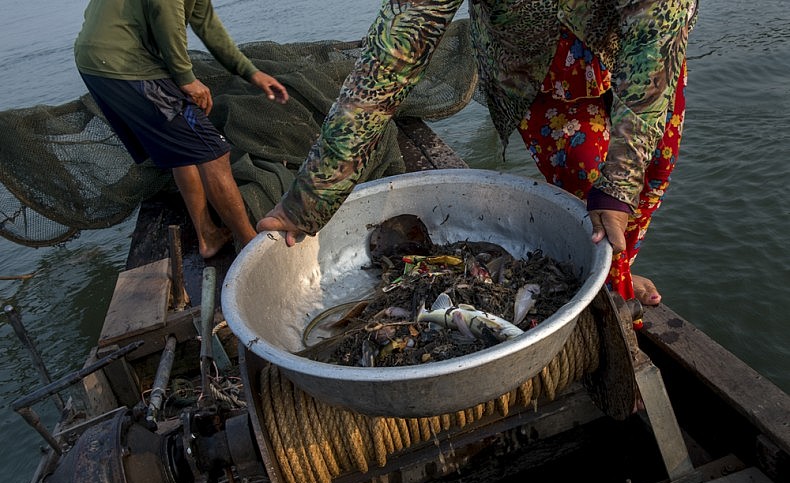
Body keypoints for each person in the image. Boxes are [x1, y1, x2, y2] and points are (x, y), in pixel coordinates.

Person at [256, 0, 696, 322]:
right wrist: (311, 196)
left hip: (644, 57)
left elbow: (655, 40)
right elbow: (390, 60)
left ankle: (621, 268)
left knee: (649, 173)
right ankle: (620, 315)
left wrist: (620, 183)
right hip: (538, 70)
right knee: (589, 193)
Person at [74, 0, 289, 258]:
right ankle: (252, 247)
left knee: (182, 146)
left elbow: (209, 27)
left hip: (98, 63)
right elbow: (166, 12)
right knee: (215, 151)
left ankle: (208, 236)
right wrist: (186, 79)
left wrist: (251, 73)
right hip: (126, 64)